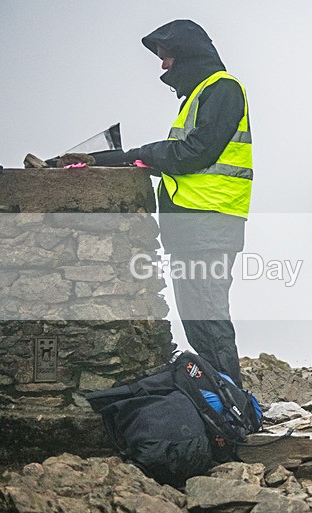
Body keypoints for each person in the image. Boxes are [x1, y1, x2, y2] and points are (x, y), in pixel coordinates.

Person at [93, 20, 252, 387]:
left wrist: (139, 153)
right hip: (193, 227)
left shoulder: (223, 89)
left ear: (187, 54)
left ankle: (232, 409)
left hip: (209, 224)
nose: (163, 66)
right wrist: (128, 159)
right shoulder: (202, 95)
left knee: (208, 320)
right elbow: (183, 159)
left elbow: (193, 153)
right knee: (199, 321)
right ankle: (222, 404)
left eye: (166, 56)